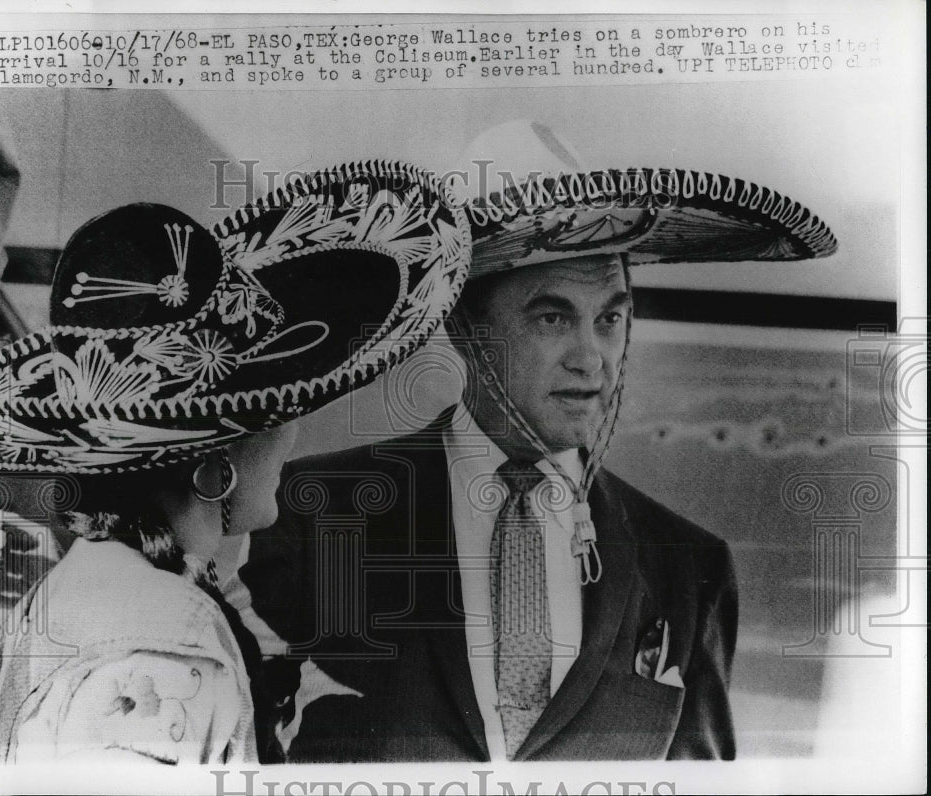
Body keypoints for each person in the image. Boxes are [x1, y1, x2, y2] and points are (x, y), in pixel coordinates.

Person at [238, 121, 839, 761]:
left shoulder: (688, 569)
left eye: (610, 319)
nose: (592, 358)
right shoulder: (311, 512)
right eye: (552, 317)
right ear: (463, 328)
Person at [0, 160, 470, 764]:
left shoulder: (71, 584)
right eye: (281, 411)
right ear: (214, 462)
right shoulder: (176, 641)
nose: (293, 435)